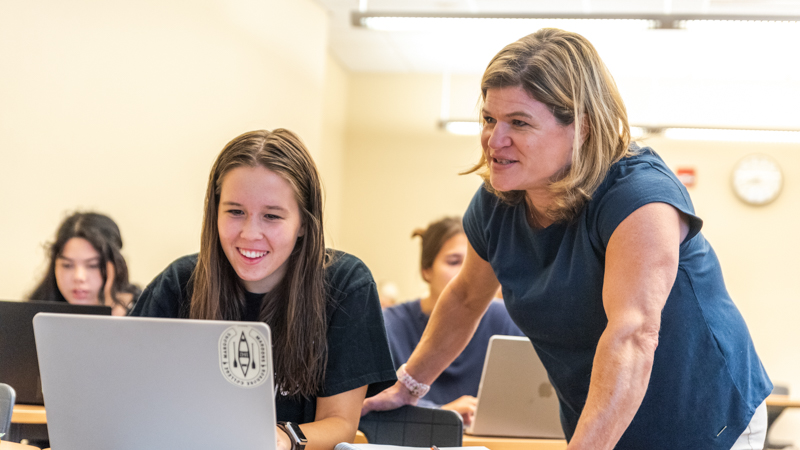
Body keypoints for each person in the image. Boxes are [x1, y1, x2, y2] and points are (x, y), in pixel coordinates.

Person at [362, 28, 771, 450]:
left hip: (706, 421)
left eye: (519, 123)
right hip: (601, 420)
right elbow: (467, 297)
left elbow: (632, 336)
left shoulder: (639, 199)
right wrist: (409, 385)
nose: (493, 140)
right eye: (489, 119)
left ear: (583, 127)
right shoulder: (500, 199)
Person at [130, 129, 396, 450]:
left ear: (303, 225)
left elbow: (341, 424)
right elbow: (131, 397)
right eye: (235, 211)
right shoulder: (178, 282)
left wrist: (281, 439)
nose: (250, 233)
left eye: (271, 216)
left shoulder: (345, 284)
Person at [382, 216, 522, 424]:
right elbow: (375, 401)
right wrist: (442, 413)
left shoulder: (506, 319)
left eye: (478, 266)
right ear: (426, 270)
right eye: (454, 262)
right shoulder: (388, 325)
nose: (467, 275)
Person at [28, 211, 140, 316]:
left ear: (116, 266)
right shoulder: (37, 313)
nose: (79, 277)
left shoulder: (144, 310)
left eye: (93, 265)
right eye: (67, 265)